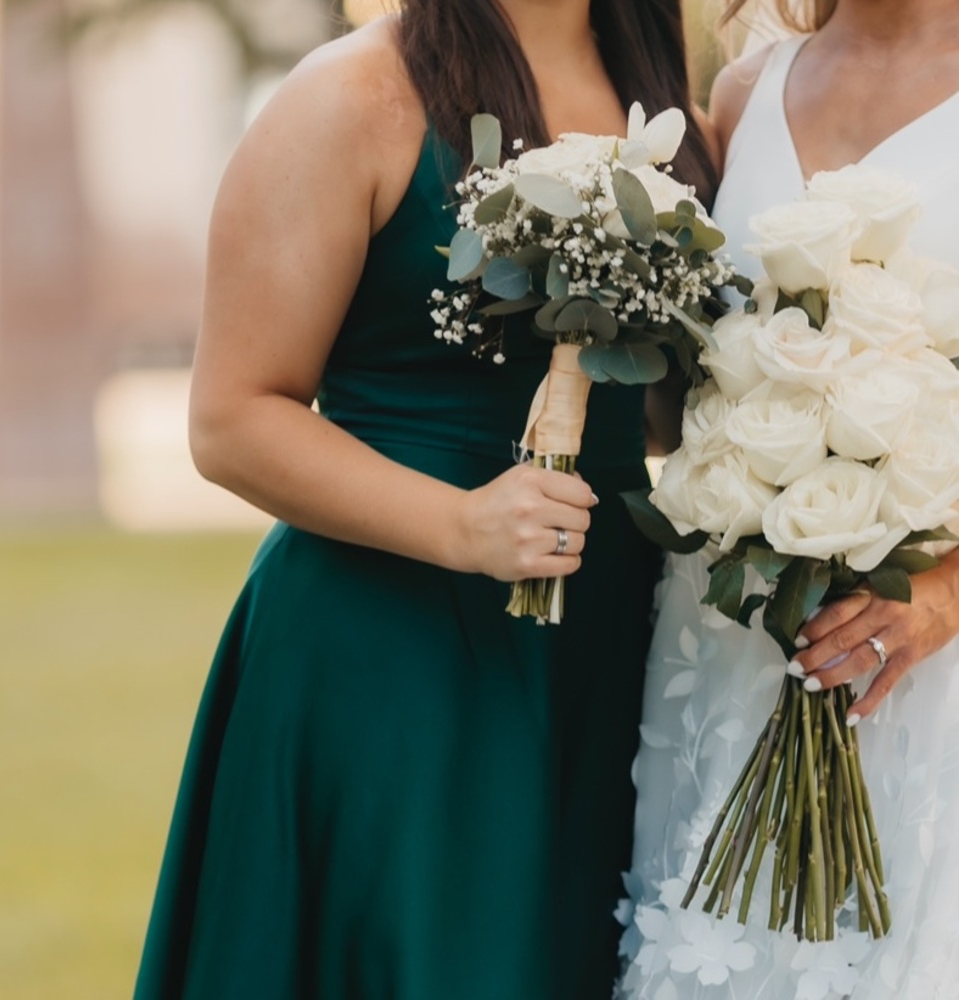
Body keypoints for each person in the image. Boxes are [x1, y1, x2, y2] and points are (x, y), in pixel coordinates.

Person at [132, 2, 715, 998]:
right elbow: (231, 417)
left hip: (613, 646)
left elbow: (664, 414)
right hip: (392, 654)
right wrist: (461, 525)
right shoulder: (352, 97)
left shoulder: (676, 115)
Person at [622, 0, 959, 996]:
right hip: (733, 635)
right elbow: (691, 386)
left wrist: (944, 593)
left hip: (923, 655)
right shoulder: (742, 92)